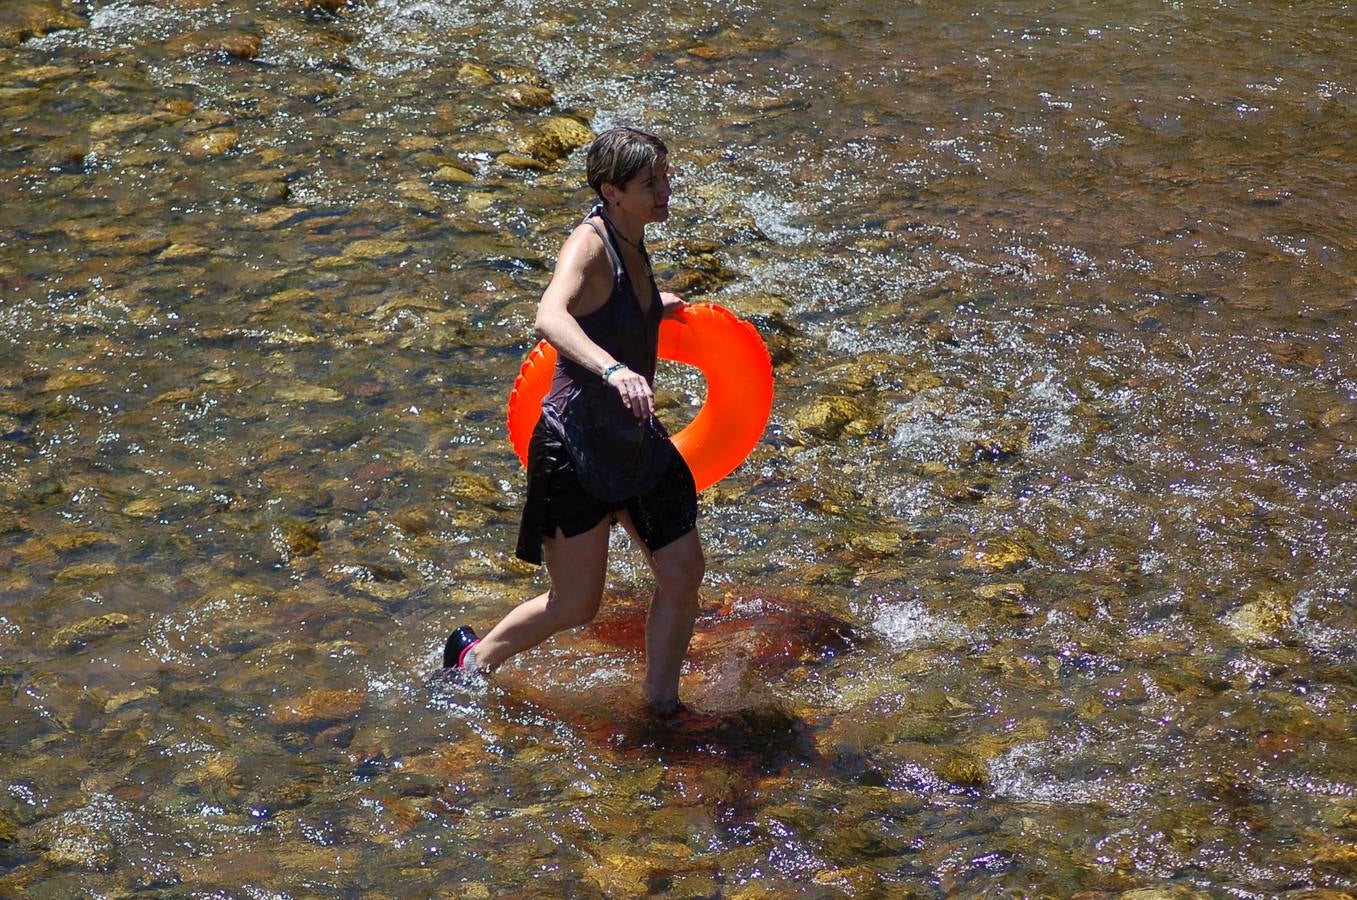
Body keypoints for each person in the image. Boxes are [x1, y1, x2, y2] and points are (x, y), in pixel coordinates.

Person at [443, 127, 704, 715]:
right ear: (611, 192)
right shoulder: (589, 244)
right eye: (649, 184)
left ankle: (661, 705)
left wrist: (649, 313)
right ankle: (473, 662)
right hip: (573, 447)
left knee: (684, 573)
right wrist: (614, 368)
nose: (665, 191)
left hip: (635, 442)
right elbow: (550, 315)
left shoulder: (634, 234)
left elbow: (604, 309)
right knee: (576, 606)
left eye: (664, 176)